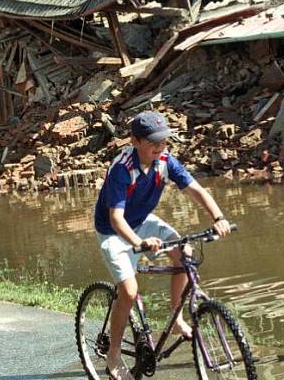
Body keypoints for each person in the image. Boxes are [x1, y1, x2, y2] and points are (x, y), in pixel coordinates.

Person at [95, 111, 231, 380]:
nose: (160, 147)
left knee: (185, 253)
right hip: (114, 231)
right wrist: (140, 243)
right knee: (129, 292)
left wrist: (218, 217)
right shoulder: (122, 168)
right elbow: (115, 218)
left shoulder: (166, 161)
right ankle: (113, 354)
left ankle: (177, 318)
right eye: (153, 142)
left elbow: (196, 190)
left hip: (143, 221)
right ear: (135, 141)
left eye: (164, 142)